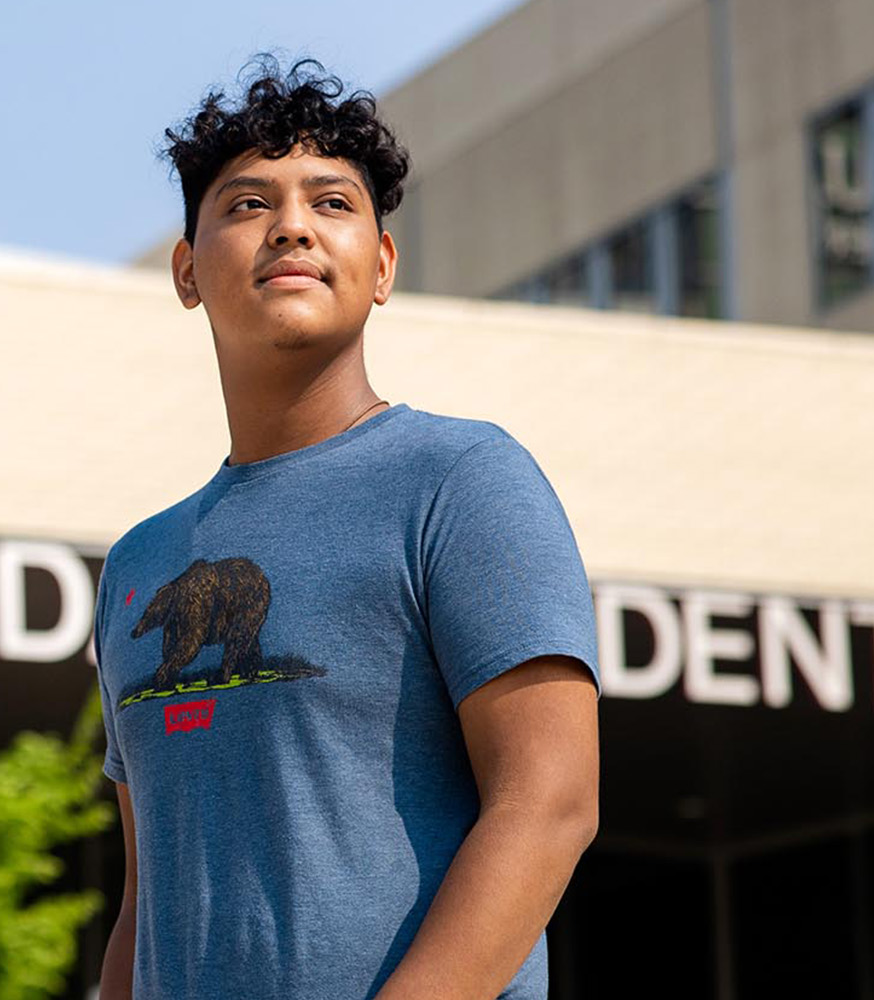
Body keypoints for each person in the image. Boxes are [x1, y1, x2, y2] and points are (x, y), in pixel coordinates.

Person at [92, 54, 600, 1000]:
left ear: (382, 267)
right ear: (186, 271)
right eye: (247, 204)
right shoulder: (138, 563)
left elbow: (552, 803)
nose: (291, 225)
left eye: (331, 202)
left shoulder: (461, 482)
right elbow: (144, 897)